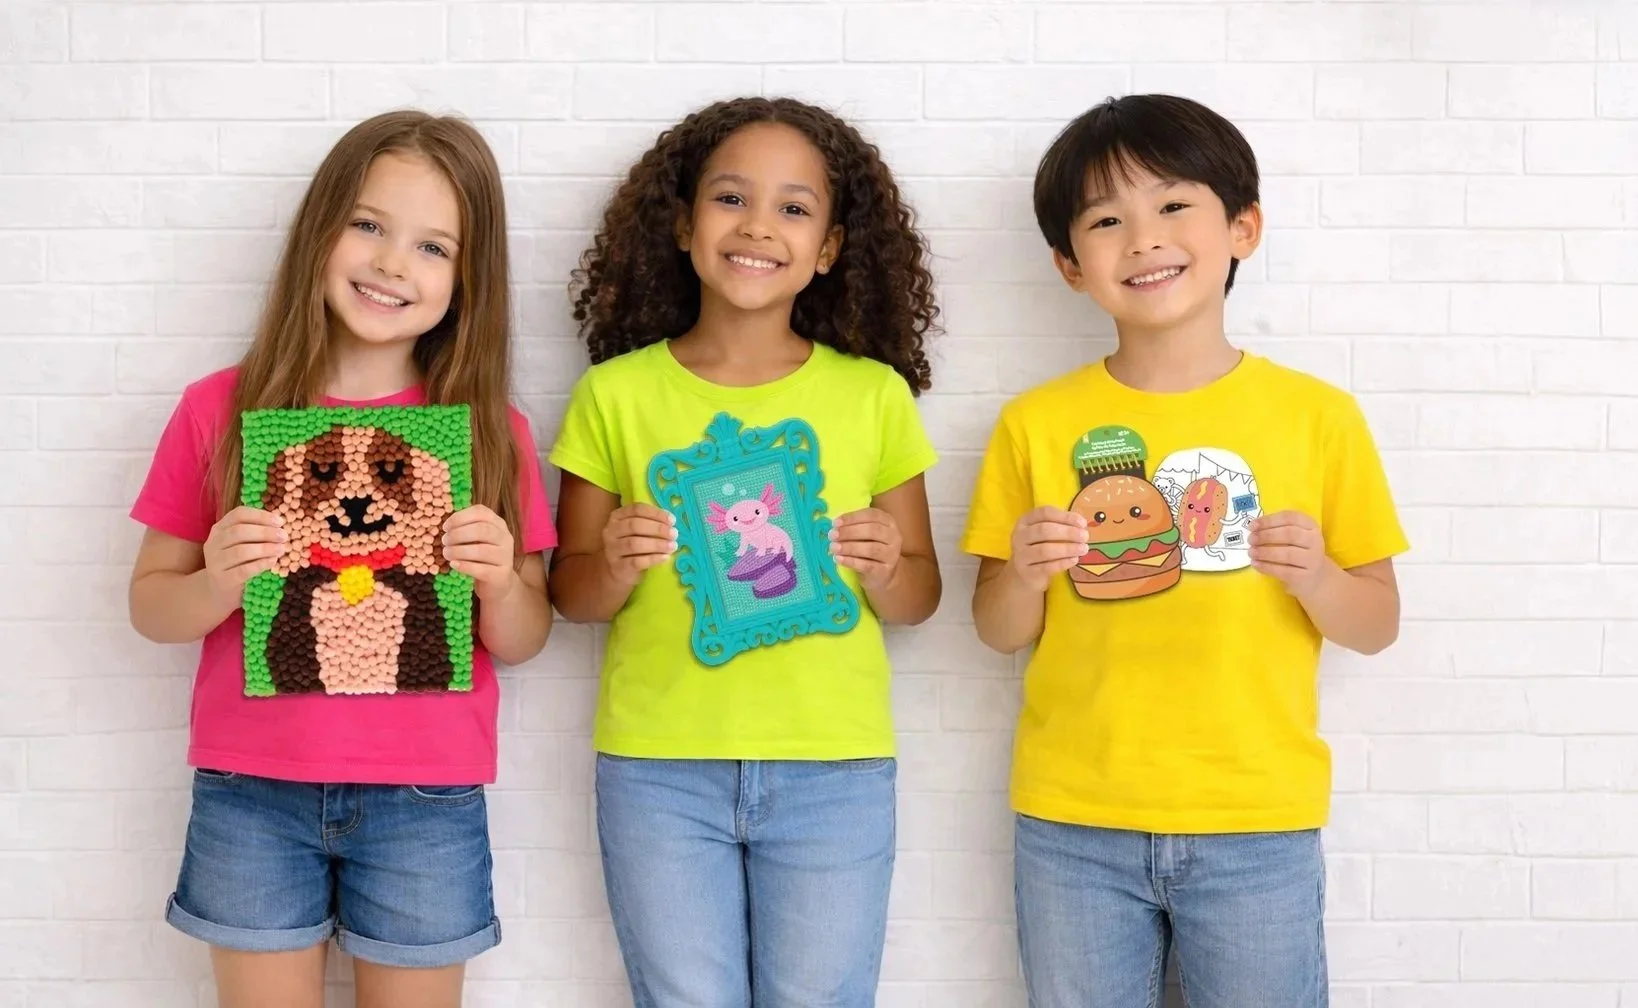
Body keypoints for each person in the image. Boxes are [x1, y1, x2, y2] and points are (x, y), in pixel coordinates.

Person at [961, 93, 1408, 1008]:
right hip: (1073, 823)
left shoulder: (1319, 418)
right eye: (1106, 220)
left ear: (1242, 227)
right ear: (1068, 264)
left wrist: (1319, 577)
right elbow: (997, 629)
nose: (1142, 239)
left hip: (1258, 820)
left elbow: (1378, 624)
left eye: (1172, 206)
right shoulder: (1036, 425)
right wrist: (1030, 570)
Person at [127, 110, 556, 1008]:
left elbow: (525, 637)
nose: (394, 263)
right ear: (318, 230)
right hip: (252, 791)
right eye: (368, 225)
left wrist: (498, 578)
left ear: (468, 281)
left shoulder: (489, 434)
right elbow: (150, 608)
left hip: (426, 799)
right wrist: (216, 580)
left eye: (434, 247)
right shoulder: (220, 411)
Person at [548, 96, 942, 1007]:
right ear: (684, 226)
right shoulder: (615, 395)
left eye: (794, 208)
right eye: (731, 199)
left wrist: (887, 564)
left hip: (834, 768)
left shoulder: (874, 396)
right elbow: (572, 592)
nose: (759, 226)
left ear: (831, 249)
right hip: (659, 769)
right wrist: (611, 559)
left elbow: (919, 596)